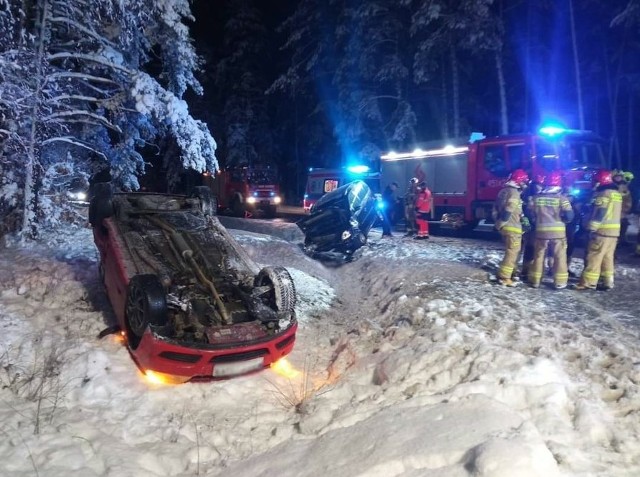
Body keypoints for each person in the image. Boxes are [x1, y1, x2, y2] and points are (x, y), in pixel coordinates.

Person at [575, 169, 623, 291]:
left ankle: (588, 283)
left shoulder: (604, 194)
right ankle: (608, 282)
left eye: (595, 181)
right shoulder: (616, 194)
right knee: (608, 257)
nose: (594, 183)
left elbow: (600, 212)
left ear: (601, 181)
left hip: (602, 232)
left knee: (594, 257)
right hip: (613, 233)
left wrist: (592, 228)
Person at [526, 170, 574, 289]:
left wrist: (535, 220)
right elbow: (569, 216)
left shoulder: (536, 198)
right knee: (559, 257)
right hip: (558, 234)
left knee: (538, 256)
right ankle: (560, 282)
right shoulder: (562, 199)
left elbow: (528, 212)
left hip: (541, 232)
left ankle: (535, 280)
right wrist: (564, 220)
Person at [491, 169, 529, 286]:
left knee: (512, 251)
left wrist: (522, 217)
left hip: (506, 227)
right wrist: (500, 224)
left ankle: (511, 273)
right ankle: (504, 277)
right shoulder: (514, 193)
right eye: (524, 181)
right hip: (512, 227)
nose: (525, 184)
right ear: (519, 181)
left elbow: (495, 210)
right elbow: (509, 210)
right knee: (512, 252)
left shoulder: (502, 191)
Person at [521, 174, 545, 279]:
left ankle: (527, 270)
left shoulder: (529, 195)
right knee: (531, 248)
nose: (539, 188)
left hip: (534, 225)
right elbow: (529, 212)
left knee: (532, 249)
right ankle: (527, 270)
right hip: (532, 226)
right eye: (538, 185)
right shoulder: (530, 196)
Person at [612, 169, 634, 246]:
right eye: (616, 177)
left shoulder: (624, 187)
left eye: (620, 177)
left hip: (621, 211)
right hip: (612, 211)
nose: (618, 178)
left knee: (623, 225)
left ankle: (621, 240)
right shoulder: (611, 186)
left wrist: (626, 209)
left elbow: (628, 199)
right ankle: (616, 242)